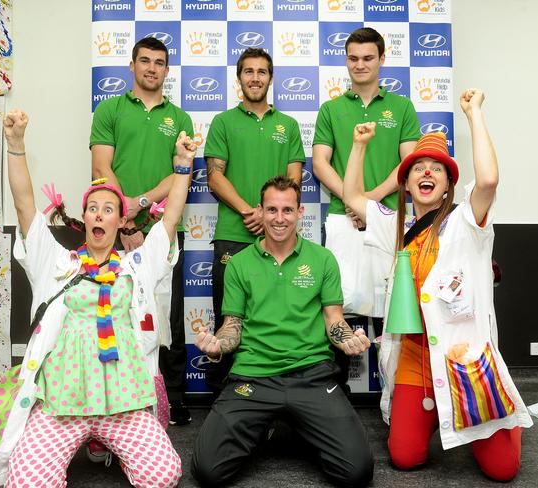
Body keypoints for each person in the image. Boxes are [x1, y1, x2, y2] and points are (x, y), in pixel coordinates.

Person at [0, 109, 196, 487]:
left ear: (120, 221)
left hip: (123, 402)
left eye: (109, 209)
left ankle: (107, 441)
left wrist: (183, 165)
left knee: (163, 474)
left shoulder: (137, 265)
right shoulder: (57, 262)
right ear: (83, 217)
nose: (100, 214)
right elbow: (24, 208)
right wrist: (16, 144)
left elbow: (169, 221)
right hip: (63, 405)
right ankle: (88, 442)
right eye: (93, 208)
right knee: (27, 483)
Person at [342, 89, 533, 481]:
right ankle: (433, 415)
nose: (426, 172)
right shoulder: (394, 223)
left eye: (436, 168)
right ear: (406, 183)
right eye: (418, 168)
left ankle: (504, 415)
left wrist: (474, 112)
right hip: (414, 360)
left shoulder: (466, 223)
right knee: (405, 458)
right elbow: (352, 197)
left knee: (503, 471)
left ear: (447, 184)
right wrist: (359, 146)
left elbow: (490, 179)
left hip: (465, 361)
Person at [192, 176, 375, 487]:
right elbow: (232, 326)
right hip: (254, 375)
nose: (279, 218)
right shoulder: (238, 264)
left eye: (287, 210)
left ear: (300, 212)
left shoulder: (322, 259)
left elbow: (333, 319)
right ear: (261, 212)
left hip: (311, 375)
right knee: (208, 471)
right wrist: (217, 345)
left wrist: (348, 340)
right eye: (272, 210)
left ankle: (295, 425)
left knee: (356, 473)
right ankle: (273, 426)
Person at [90, 36, 194, 426]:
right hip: (114, 230)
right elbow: (102, 168)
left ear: (167, 70)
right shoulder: (110, 109)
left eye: (159, 62)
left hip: (163, 230)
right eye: (145, 61)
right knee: (117, 312)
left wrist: (143, 204)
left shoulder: (180, 118)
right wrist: (126, 219)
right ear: (132, 66)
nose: (152, 68)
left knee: (169, 315)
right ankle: (121, 395)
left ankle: (174, 397)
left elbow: (180, 172)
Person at [313, 27, 421, 387]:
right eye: (353, 58)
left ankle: (397, 396)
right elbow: (320, 164)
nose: (360, 64)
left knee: (393, 307)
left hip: (390, 219)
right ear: (346, 60)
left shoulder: (402, 107)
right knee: (336, 305)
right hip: (342, 220)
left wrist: (368, 202)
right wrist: (352, 201)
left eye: (368, 58)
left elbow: (409, 164)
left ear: (382, 59)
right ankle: (334, 391)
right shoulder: (331, 109)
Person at [205, 48, 305, 390]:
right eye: (248, 71)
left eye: (262, 72)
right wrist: (250, 212)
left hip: (277, 236)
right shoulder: (223, 122)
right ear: (239, 78)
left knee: (277, 317)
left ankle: (276, 396)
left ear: (270, 78)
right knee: (227, 318)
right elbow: (214, 177)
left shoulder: (288, 125)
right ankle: (224, 397)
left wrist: (267, 217)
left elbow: (294, 181)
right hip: (233, 232)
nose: (255, 78)